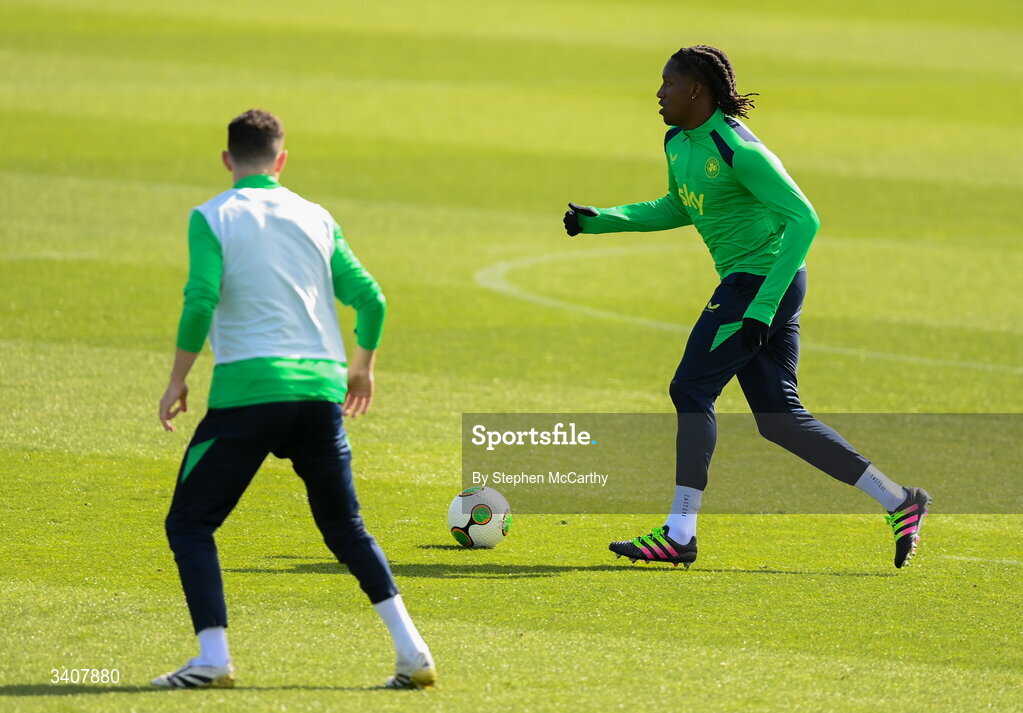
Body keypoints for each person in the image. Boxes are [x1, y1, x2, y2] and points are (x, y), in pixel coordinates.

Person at [563, 45, 930, 570]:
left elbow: (805, 220)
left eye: (668, 83)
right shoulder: (677, 141)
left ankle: (679, 532)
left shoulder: (739, 150)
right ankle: (899, 500)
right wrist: (600, 220)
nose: (659, 93)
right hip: (753, 285)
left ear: (697, 89)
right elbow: (679, 205)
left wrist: (761, 307)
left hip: (761, 284)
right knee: (780, 419)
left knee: (691, 388)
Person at [153, 109, 435, 689]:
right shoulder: (316, 216)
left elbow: (201, 299)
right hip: (319, 393)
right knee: (346, 527)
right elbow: (372, 299)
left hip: (250, 394)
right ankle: (413, 652)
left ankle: (213, 660)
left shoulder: (212, 216)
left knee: (189, 522)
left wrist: (178, 378)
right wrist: (362, 367)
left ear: (227, 160)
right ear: (281, 160)